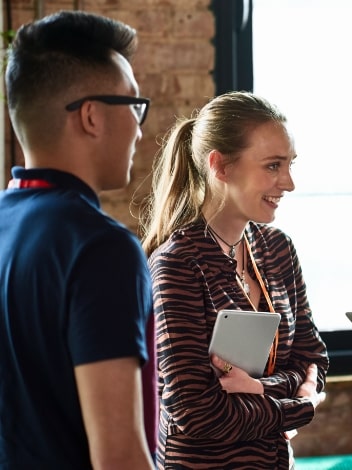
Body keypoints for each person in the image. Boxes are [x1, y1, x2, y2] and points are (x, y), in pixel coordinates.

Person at [0, 10, 155, 470]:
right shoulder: (100, 250)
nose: (139, 128)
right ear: (91, 116)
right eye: (133, 105)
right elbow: (120, 459)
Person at [140, 91, 329, 469]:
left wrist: (260, 388)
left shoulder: (278, 250)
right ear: (221, 167)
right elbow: (195, 415)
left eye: (290, 164)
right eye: (273, 166)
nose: (289, 182)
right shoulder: (177, 265)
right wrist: (299, 407)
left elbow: (314, 362)